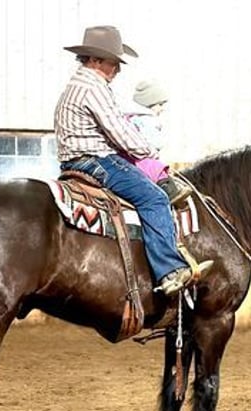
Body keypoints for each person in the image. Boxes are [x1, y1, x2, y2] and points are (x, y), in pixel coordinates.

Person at [54, 25, 211, 297]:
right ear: (94, 60)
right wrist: (148, 150)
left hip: (74, 162)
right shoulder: (93, 87)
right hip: (96, 161)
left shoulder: (76, 85)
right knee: (155, 198)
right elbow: (121, 133)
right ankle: (170, 270)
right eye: (114, 63)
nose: (118, 69)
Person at [125, 80, 190, 206]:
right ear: (149, 104)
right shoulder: (147, 119)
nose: (162, 109)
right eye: (159, 105)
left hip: (131, 156)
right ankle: (168, 190)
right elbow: (155, 142)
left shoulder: (131, 117)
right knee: (155, 168)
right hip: (143, 155)